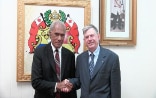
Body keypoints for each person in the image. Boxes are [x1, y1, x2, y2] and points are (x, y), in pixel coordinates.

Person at [64, 24, 121, 98]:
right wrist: (69, 83)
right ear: (84, 40)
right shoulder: (80, 58)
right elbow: (79, 81)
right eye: (86, 37)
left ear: (98, 36)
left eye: (92, 35)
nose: (89, 39)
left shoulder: (112, 58)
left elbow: (115, 88)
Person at [31, 20, 77, 98]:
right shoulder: (39, 52)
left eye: (62, 35)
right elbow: (36, 82)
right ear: (50, 34)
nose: (59, 38)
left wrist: (70, 84)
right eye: (56, 34)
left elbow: (72, 80)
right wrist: (56, 86)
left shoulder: (70, 55)